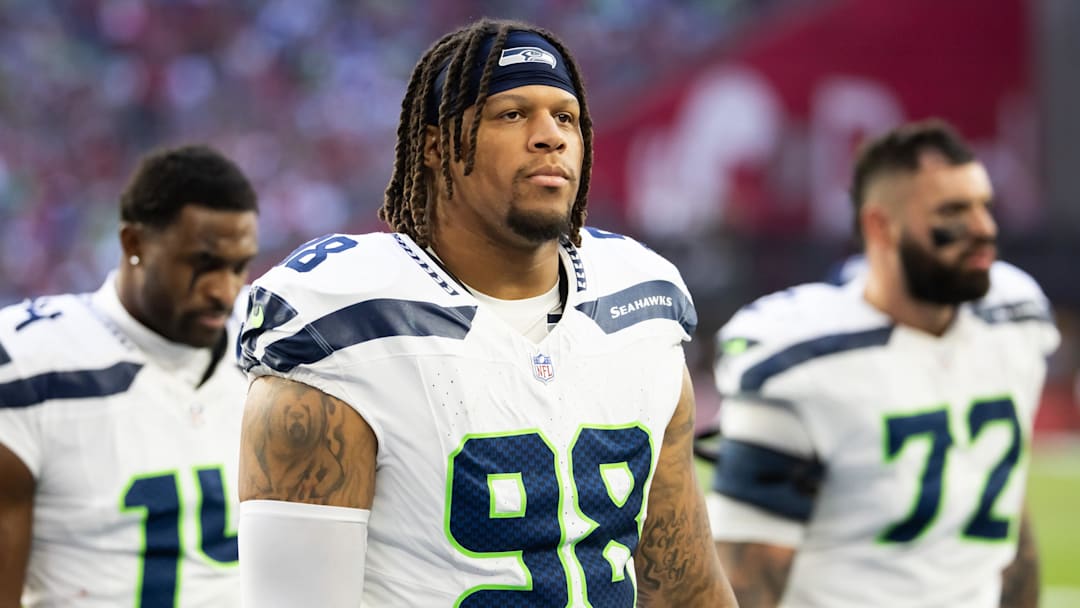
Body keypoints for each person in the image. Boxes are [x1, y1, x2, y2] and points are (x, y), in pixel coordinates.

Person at [236, 17, 737, 607]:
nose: (549, 135)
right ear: (433, 147)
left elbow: (683, 588)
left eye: (565, 116)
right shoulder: (347, 331)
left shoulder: (640, 307)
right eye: (512, 114)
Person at [705, 119, 1058, 607]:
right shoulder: (804, 358)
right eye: (954, 212)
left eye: (984, 206)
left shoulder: (1014, 315)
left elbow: (1008, 512)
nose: (984, 229)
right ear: (880, 226)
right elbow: (745, 580)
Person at [0, 145, 259, 607]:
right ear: (133, 244)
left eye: (238, 267)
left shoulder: (274, 349)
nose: (224, 290)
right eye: (203, 265)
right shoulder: (30, 367)